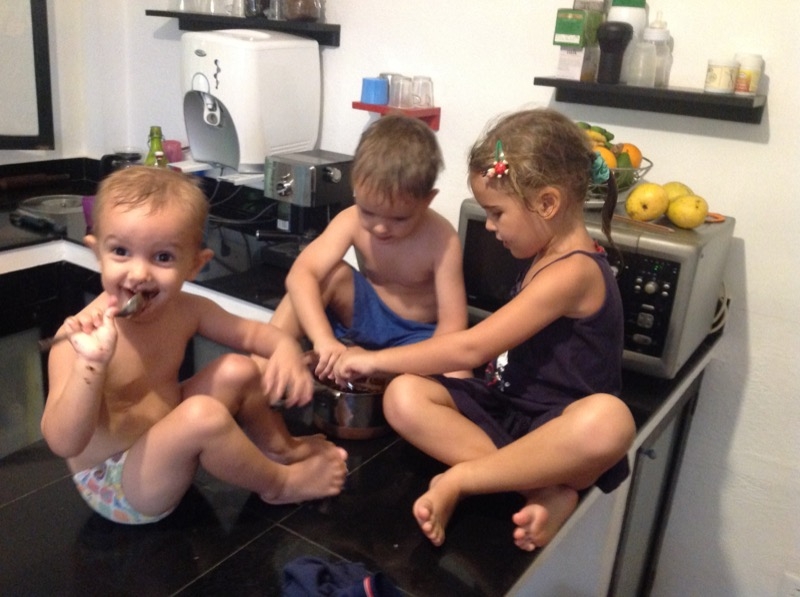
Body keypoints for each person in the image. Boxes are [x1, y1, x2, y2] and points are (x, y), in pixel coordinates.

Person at [333, 108, 636, 551]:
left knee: (610, 421)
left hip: (558, 431)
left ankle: (464, 479)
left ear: (547, 204)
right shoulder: (545, 253)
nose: (490, 226)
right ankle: (539, 489)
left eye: (497, 213)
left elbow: (472, 348)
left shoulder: (575, 272)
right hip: (507, 408)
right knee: (403, 395)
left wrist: (374, 360)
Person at [41, 166, 348, 525]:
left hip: (164, 440)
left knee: (239, 369)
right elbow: (64, 443)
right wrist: (90, 365)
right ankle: (281, 484)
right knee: (203, 416)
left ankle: (281, 448)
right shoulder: (79, 341)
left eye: (163, 257)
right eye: (121, 251)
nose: (139, 274)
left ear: (194, 265)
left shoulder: (187, 309)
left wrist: (285, 349)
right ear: (97, 252)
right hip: (117, 483)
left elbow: (252, 336)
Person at [268, 114, 468, 380]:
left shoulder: (442, 240)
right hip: (363, 317)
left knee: (459, 372)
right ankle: (263, 364)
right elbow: (300, 274)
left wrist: (390, 362)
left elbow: (452, 328)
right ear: (354, 186)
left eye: (399, 218)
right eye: (368, 212)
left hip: (417, 335)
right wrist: (323, 338)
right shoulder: (350, 220)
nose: (380, 228)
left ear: (427, 200)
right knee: (326, 276)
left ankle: (371, 366)